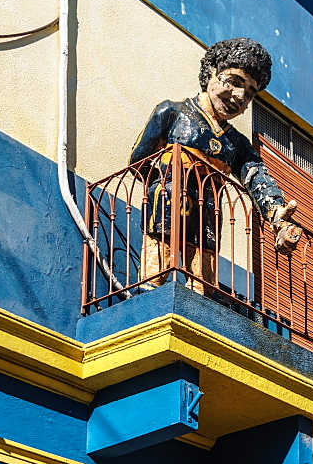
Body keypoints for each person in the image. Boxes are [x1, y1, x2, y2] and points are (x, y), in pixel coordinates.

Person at [129, 37, 301, 290]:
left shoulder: (238, 144)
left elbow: (257, 178)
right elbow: (138, 161)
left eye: (250, 93)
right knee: (152, 281)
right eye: (234, 82)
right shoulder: (171, 113)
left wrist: (279, 218)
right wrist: (163, 185)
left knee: (202, 287)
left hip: (208, 221)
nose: (240, 97)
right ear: (211, 73)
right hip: (164, 211)